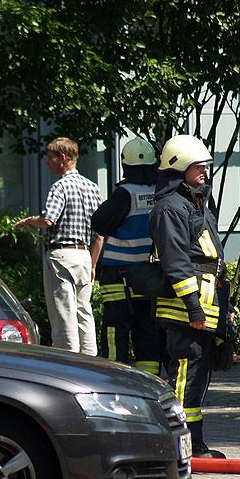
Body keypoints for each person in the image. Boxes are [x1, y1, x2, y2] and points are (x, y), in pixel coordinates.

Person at [150, 135, 231, 458]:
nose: (205, 172)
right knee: (185, 379)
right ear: (179, 166)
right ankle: (183, 445)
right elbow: (177, 262)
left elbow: (211, 257)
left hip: (202, 311)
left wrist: (225, 308)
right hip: (186, 313)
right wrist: (195, 308)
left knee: (196, 379)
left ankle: (193, 444)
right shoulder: (171, 208)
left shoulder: (192, 203)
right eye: (199, 166)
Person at [14, 137, 102, 355]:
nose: (47, 162)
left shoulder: (60, 186)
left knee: (64, 313)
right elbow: (100, 235)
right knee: (84, 312)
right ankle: (91, 362)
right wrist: (93, 264)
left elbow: (48, 220)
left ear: (63, 158)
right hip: (84, 255)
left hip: (62, 254)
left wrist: (28, 222)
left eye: (50, 157)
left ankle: (67, 361)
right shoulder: (93, 188)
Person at [91, 136, 165, 374]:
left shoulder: (124, 194)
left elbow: (99, 223)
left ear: (126, 165)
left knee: (116, 328)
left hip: (118, 275)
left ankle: (114, 377)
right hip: (147, 274)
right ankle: (149, 380)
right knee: (147, 329)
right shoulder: (160, 193)